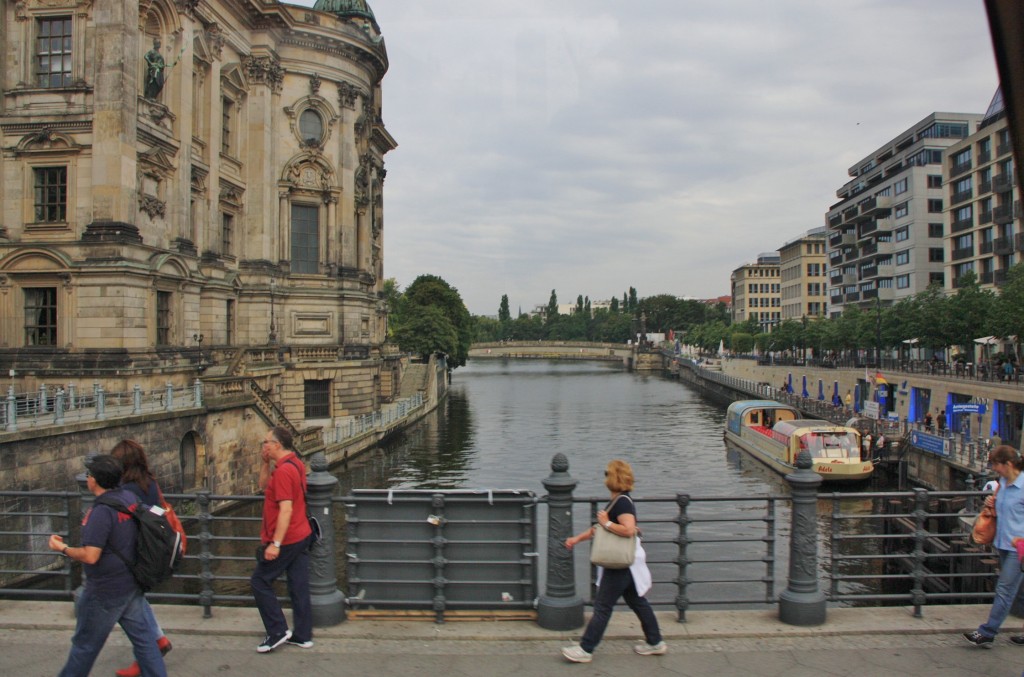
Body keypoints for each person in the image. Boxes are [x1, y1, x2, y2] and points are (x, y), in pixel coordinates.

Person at [49, 455, 167, 677]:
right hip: (130, 583)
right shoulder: (128, 498)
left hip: (104, 591)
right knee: (146, 642)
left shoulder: (101, 512)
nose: (87, 478)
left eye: (89, 475)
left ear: (94, 480)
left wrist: (62, 548)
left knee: (84, 646)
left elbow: (91, 556)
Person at [561, 460, 665, 663]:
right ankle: (655, 642)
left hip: (619, 564)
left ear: (612, 478)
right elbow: (599, 530)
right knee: (638, 602)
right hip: (628, 564)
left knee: (602, 606)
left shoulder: (622, 502)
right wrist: (577, 539)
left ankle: (585, 649)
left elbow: (628, 529)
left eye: (606, 473)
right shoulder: (618, 501)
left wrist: (607, 522)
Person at [110, 440, 174, 677]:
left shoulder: (127, 491)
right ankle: (158, 640)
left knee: (129, 604)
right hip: (152, 551)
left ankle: (148, 651)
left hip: (136, 554)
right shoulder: (150, 482)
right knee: (136, 600)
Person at [251, 426, 313, 653]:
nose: (263, 445)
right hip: (302, 534)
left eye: (266, 442)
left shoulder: (285, 471)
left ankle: (277, 630)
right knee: (298, 585)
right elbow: (263, 486)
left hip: (287, 538)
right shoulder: (294, 463)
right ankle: (303, 635)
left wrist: (275, 544)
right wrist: (265, 463)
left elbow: (286, 510)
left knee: (259, 581)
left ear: (277, 445)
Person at [964, 445, 1024, 648]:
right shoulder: (1003, 483)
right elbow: (1004, 511)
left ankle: (987, 632)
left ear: (1008, 464)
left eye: (996, 465)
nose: (994, 469)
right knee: (1018, 591)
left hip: (1019, 548)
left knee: (1005, 590)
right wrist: (991, 502)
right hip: (1003, 543)